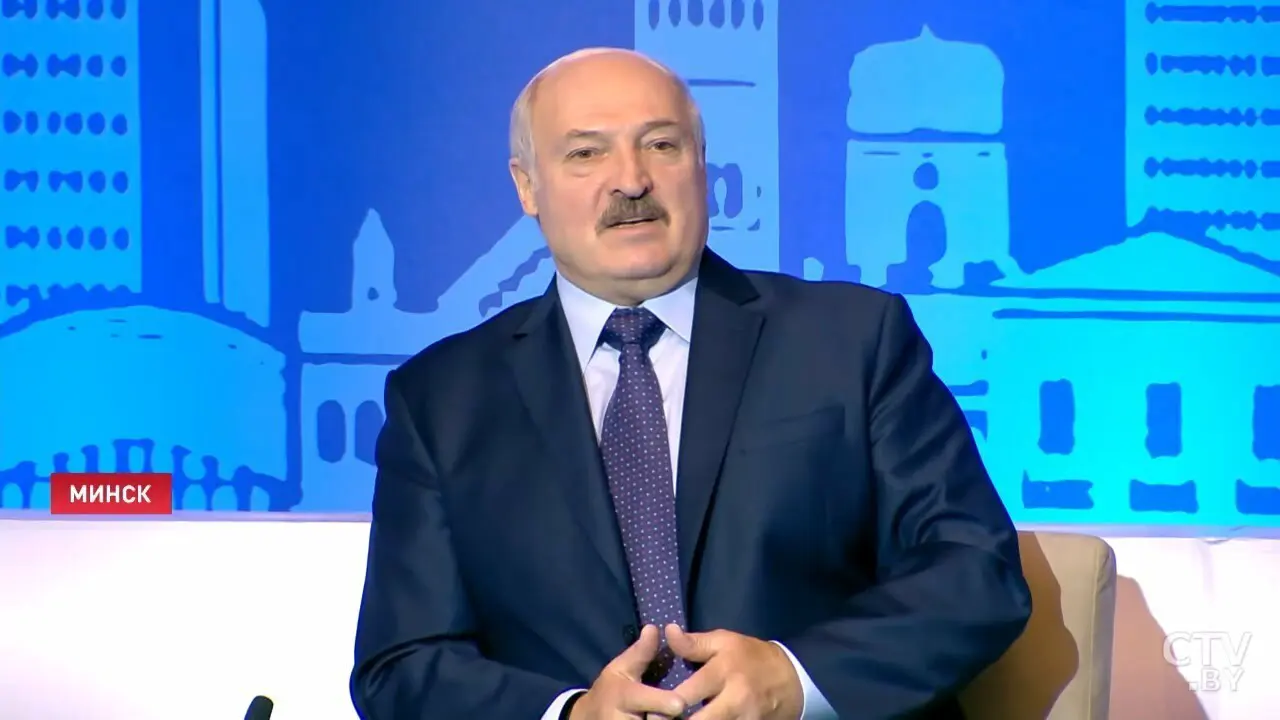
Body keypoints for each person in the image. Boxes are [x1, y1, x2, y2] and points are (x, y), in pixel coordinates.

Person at [350, 47, 1032, 720]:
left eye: (661, 145)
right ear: (527, 186)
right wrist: (570, 714)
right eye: (586, 153)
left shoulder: (853, 341)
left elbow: (975, 572)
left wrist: (796, 679)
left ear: (702, 165)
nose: (631, 181)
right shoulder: (441, 401)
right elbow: (402, 664)